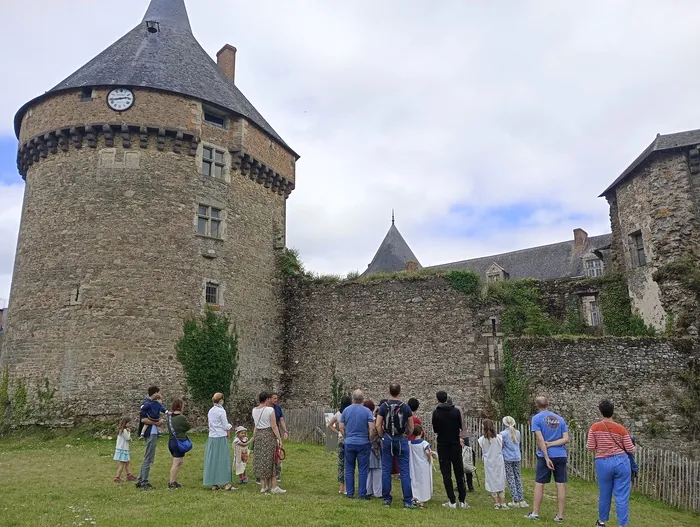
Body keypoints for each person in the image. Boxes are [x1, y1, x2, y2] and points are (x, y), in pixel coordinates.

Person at [587, 399, 636, 527]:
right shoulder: (621, 429)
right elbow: (630, 449)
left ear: (600, 411)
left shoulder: (595, 427)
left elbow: (590, 446)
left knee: (604, 494)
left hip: (603, 462)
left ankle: (602, 522)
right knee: (622, 497)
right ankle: (622, 524)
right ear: (613, 411)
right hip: (621, 462)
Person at [525, 396, 569, 523]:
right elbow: (566, 439)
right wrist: (553, 443)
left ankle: (535, 513)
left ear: (537, 405)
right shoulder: (560, 419)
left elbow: (540, 440)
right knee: (560, 484)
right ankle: (560, 516)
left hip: (546, 455)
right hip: (561, 454)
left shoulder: (537, 419)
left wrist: (546, 456)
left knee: (540, 483)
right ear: (548, 403)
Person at [376, 383, 416, 508]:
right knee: (404, 471)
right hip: (401, 438)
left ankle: (387, 499)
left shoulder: (384, 406)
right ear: (399, 391)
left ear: (389, 391)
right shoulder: (405, 407)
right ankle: (408, 500)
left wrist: (383, 435)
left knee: (386, 469)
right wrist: (406, 434)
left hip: (388, 438)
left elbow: (378, 424)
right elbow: (411, 426)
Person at [432, 391, 468, 509]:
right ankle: (462, 500)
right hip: (455, 443)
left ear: (437, 400)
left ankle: (452, 500)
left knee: (446, 473)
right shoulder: (455, 411)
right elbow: (460, 426)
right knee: (459, 471)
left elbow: (436, 429)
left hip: (443, 445)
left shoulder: (436, 413)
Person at [339, 389, 376, 499]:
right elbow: (372, 428)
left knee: (349, 468)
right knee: (363, 469)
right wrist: (370, 438)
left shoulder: (346, 410)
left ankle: (350, 493)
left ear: (353, 398)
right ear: (362, 399)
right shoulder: (367, 411)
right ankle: (361, 494)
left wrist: (346, 436)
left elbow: (341, 426)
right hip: (363, 442)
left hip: (350, 442)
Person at [252, 391, 286, 494]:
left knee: (261, 460)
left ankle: (264, 486)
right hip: (268, 436)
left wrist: (253, 437)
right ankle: (274, 486)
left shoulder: (254, 410)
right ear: (267, 399)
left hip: (259, 436)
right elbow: (274, 426)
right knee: (272, 460)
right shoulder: (270, 410)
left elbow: (256, 425)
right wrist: (279, 439)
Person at [203, 392, 235, 491]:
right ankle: (226, 483)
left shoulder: (211, 411)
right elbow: (225, 425)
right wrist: (230, 428)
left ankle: (214, 483)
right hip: (220, 436)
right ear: (221, 400)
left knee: (213, 460)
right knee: (223, 460)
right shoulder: (221, 411)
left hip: (212, 437)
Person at [479, 419, 508, 510]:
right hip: (498, 461)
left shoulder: (482, 440)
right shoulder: (499, 438)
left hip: (489, 462)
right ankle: (502, 502)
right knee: (500, 480)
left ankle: (496, 503)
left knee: (492, 481)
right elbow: (502, 446)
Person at [136, 396, 164, 489]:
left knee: (147, 457)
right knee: (148, 458)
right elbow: (144, 420)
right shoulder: (149, 406)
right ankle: (144, 481)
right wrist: (157, 422)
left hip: (153, 433)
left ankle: (140, 479)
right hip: (151, 434)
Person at [501, 416, 528, 508]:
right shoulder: (518, 432)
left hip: (508, 457)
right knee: (518, 477)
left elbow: (502, 445)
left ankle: (515, 500)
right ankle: (521, 499)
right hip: (517, 457)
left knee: (511, 478)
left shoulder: (503, 434)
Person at [328, 395, 352, 494]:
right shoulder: (350, 413)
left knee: (341, 463)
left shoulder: (338, 414)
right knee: (348, 463)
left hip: (341, 439)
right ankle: (346, 487)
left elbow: (329, 425)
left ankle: (341, 486)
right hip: (349, 438)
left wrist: (337, 432)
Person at [167, 397, 190, 489]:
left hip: (171, 441)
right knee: (176, 463)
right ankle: (171, 482)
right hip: (179, 441)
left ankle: (173, 480)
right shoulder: (181, 418)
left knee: (178, 461)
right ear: (180, 407)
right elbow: (187, 427)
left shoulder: (169, 417)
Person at [408, 424, 433, 507]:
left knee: (414, 481)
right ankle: (422, 499)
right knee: (423, 481)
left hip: (413, 465)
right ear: (421, 432)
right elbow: (427, 452)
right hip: (423, 466)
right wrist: (430, 456)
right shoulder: (424, 443)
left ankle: (415, 498)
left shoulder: (410, 444)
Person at [363, 399, 383, 498]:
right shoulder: (374, 421)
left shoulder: (361, 420)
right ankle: (378, 492)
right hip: (375, 447)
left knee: (367, 471)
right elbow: (378, 434)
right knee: (377, 471)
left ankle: (367, 490)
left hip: (364, 447)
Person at [271, 393, 289, 482]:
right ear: (269, 399)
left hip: (276, 433)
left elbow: (281, 420)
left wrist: (285, 431)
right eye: (274, 398)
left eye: (276, 398)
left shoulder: (278, 408)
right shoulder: (266, 409)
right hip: (268, 433)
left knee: (277, 453)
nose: (276, 400)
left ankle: (277, 473)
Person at [113, 417, 137, 483]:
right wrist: (129, 432)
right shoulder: (125, 430)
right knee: (122, 464)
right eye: (129, 423)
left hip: (122, 449)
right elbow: (127, 438)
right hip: (123, 450)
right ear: (125, 423)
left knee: (127, 462)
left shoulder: (121, 430)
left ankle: (129, 475)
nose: (130, 424)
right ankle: (117, 477)